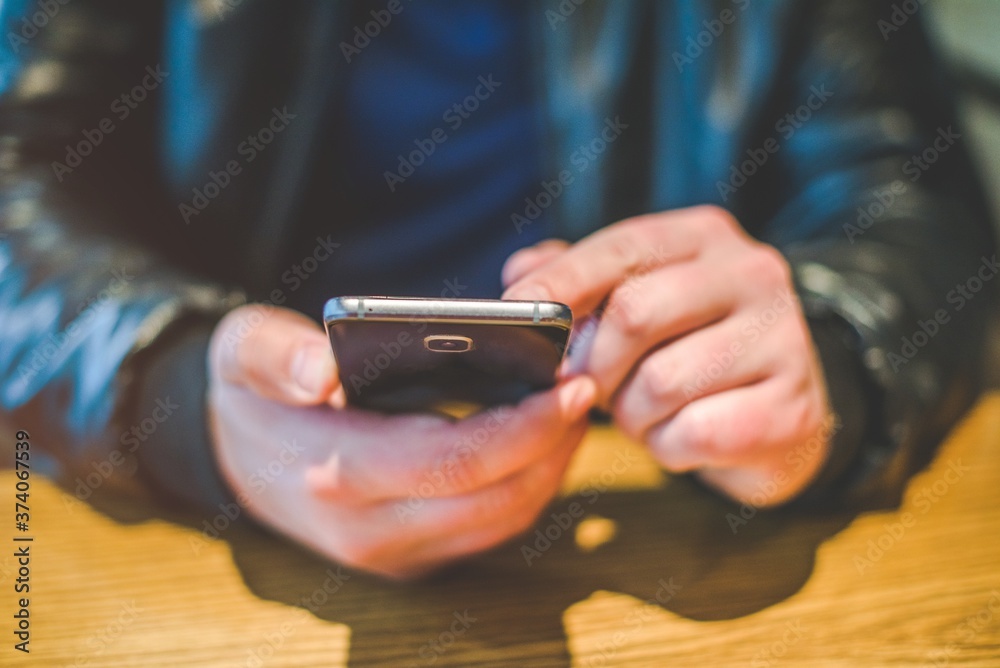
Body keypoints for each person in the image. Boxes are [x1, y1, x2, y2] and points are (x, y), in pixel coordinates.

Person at [0, 0, 994, 579]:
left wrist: (827, 358)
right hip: (227, 527)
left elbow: (917, 202)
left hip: (647, 500)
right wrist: (184, 399)